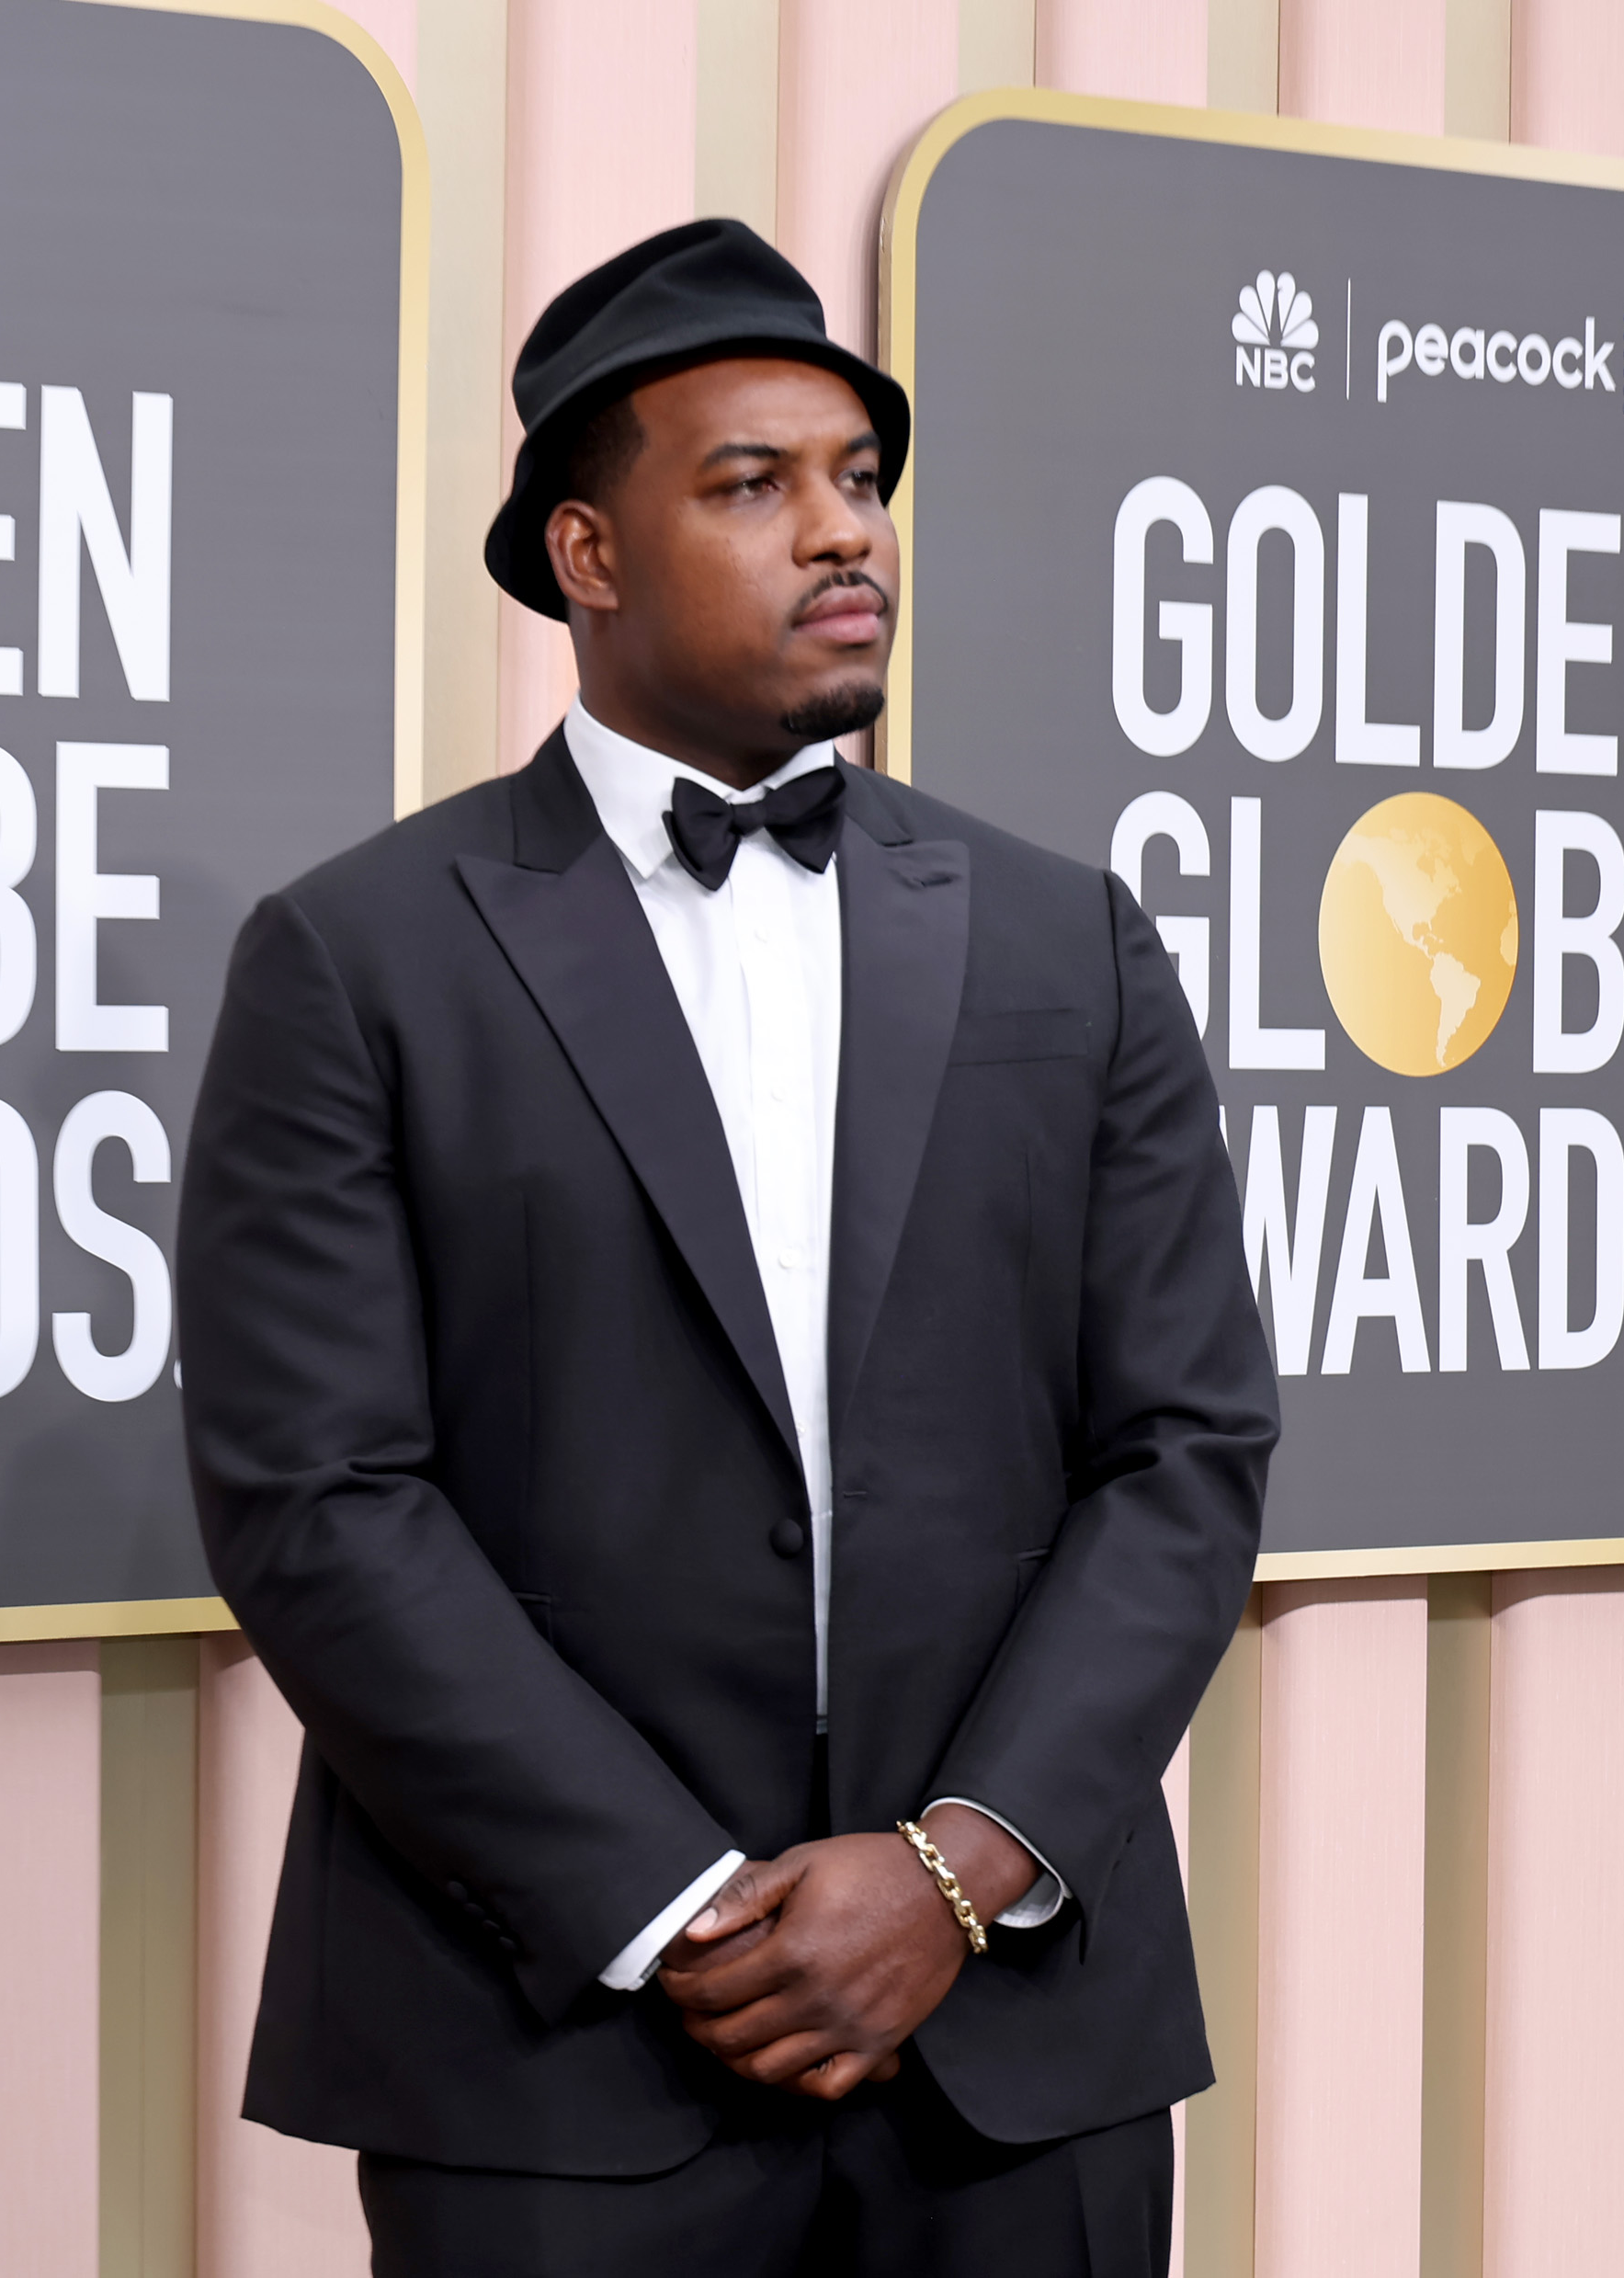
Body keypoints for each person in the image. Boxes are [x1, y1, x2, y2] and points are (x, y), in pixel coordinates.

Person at [179, 218, 1278, 2277]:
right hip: (548, 2051)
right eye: (750, 485)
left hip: (1011, 2052)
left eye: (857, 480)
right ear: (585, 557)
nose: (839, 533)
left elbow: (1187, 1447)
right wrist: (686, 1910)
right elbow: (317, 1500)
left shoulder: (1072, 941)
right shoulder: (357, 956)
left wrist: (947, 1879)